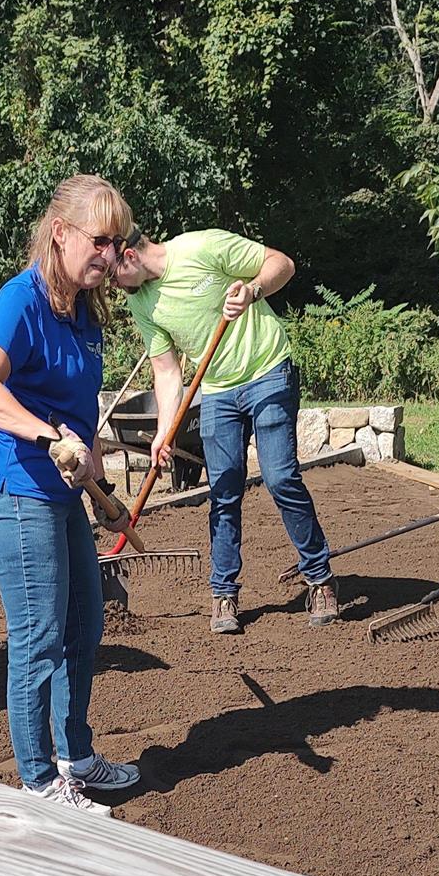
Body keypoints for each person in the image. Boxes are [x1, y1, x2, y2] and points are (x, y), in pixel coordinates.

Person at [0, 175, 138, 815]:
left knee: (85, 624)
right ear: (60, 233)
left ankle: (75, 757)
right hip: (11, 484)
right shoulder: (22, 299)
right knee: (38, 634)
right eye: (100, 241)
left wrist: (98, 481)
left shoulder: (84, 311)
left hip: (60, 490)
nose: (109, 256)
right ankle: (38, 783)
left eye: (117, 244)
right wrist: (46, 436)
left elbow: (79, 412)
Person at [112, 225, 337, 633]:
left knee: (280, 477)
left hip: (268, 370)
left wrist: (252, 290)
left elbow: (282, 264)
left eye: (112, 275)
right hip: (216, 390)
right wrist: (164, 432)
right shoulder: (141, 301)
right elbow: (167, 372)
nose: (112, 286)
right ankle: (223, 594)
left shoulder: (202, 247)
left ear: (129, 256)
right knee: (224, 489)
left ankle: (320, 579)